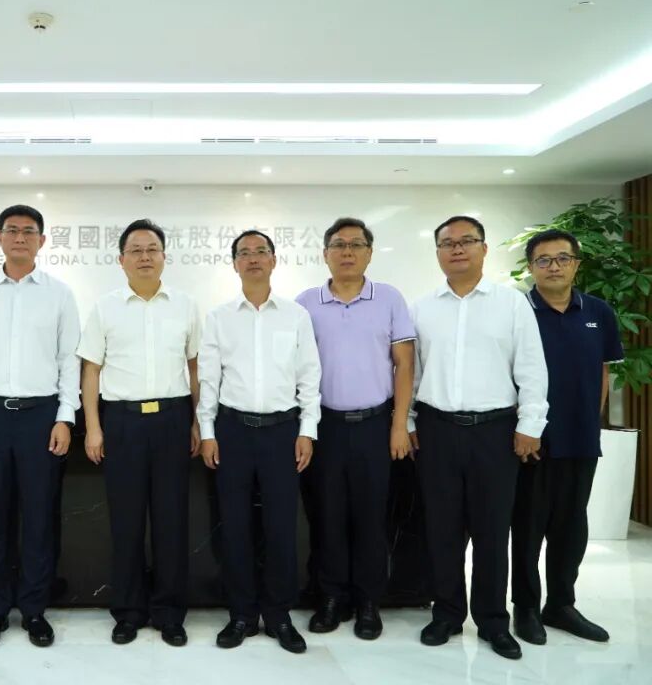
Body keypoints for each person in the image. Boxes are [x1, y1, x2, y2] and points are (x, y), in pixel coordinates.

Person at [409, 215, 548, 660]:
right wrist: (408, 422)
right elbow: (412, 374)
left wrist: (530, 425)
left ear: (484, 249)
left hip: (495, 432)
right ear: (437, 253)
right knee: (442, 529)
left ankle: (492, 621)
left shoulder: (512, 304)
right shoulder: (422, 308)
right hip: (436, 430)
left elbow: (531, 367)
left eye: (467, 241)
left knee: (492, 531)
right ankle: (447, 614)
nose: (457, 249)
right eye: (447, 243)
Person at [0, 204, 80, 649]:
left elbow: (69, 361)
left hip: (40, 416)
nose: (20, 237)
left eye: (28, 231)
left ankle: (35, 610)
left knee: (39, 517)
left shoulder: (60, 295)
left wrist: (65, 417)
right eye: (12, 230)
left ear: (42, 241)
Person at [77, 218, 202, 647]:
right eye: (136, 250)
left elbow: (195, 368)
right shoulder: (105, 307)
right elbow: (91, 371)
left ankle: (170, 613)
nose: (144, 257)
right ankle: (128, 611)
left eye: (152, 249)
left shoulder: (185, 305)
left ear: (164, 257)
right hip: (122, 422)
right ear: (121, 260)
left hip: (172, 419)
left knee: (172, 521)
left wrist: (197, 421)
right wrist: (93, 428)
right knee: (126, 521)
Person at [198, 229, 321, 654]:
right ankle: (241, 614)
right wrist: (208, 432)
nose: (253, 258)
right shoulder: (219, 317)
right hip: (232, 431)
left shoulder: (295, 316)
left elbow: (309, 376)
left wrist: (307, 430)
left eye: (260, 251)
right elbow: (209, 380)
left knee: (281, 526)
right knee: (234, 526)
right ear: (234, 264)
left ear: (273, 260)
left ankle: (279, 614)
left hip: (282, 432)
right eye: (244, 253)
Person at [295, 217, 415, 640]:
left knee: (371, 517)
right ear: (325, 253)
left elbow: (404, 366)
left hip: (375, 426)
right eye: (339, 245)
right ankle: (331, 598)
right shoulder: (305, 303)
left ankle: (368, 602)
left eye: (356, 245)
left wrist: (400, 425)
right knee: (326, 516)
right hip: (324, 426)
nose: (347, 252)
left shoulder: (389, 299)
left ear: (369, 253)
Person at [511, 229, 622, 645]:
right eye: (543, 260)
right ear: (531, 267)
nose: (553, 266)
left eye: (562, 258)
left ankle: (561, 604)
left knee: (571, 527)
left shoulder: (599, 312)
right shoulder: (518, 312)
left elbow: (602, 372)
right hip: (531, 441)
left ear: (576, 263)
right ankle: (525, 607)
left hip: (580, 439)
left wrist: (590, 421)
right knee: (528, 528)